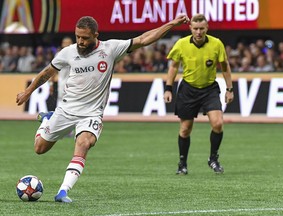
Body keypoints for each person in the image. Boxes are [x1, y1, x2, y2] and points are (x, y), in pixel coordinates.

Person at [16, 15, 190, 203]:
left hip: (92, 113)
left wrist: (172, 24)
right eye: (78, 37)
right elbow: (47, 73)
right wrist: (27, 92)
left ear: (96, 35)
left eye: (85, 38)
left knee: (83, 143)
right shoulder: (68, 52)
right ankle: (47, 120)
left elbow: (143, 39)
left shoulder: (110, 49)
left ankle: (63, 191)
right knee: (39, 148)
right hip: (66, 110)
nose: (80, 42)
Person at [163, 14, 234, 175]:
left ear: (207, 28)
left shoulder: (216, 44)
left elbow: (225, 66)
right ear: (190, 29)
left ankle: (213, 159)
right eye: (195, 29)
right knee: (185, 129)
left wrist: (230, 89)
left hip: (210, 89)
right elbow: (173, 67)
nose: (199, 32)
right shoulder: (181, 44)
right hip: (188, 89)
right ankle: (182, 163)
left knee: (217, 124)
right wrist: (168, 88)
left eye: (202, 28)